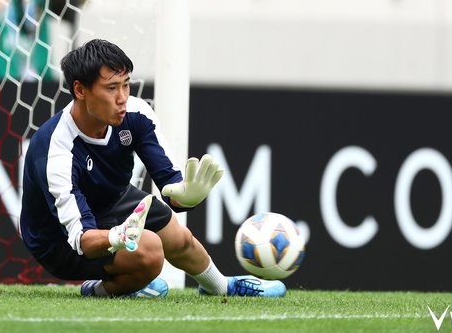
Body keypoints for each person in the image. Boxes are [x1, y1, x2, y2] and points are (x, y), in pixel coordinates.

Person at [19, 39, 286, 297]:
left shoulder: (136, 114)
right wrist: (116, 236)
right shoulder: (56, 150)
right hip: (58, 241)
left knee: (177, 236)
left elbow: (170, 186)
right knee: (150, 251)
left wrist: (186, 196)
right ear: (80, 90)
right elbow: (82, 240)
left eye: (126, 85)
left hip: (109, 200)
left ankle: (220, 287)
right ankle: (97, 289)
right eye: (111, 88)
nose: (123, 98)